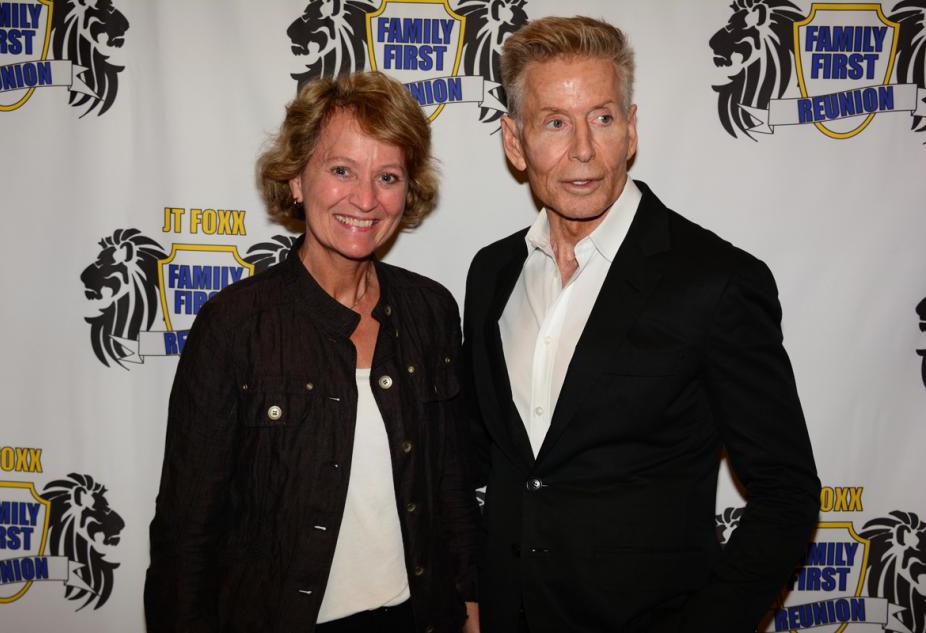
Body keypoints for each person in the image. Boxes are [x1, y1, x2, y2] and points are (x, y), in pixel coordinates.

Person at [463, 16, 820, 633]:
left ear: (630, 130)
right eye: (555, 123)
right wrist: (469, 598)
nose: (583, 149)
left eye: (602, 118)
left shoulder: (716, 281)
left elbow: (787, 493)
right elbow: (481, 463)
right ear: (515, 143)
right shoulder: (492, 273)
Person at [144, 71, 479, 633]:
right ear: (297, 179)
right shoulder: (235, 326)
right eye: (342, 170)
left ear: (408, 192)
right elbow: (187, 531)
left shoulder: (431, 311)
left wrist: (471, 608)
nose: (365, 199)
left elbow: (451, 489)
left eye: (388, 176)